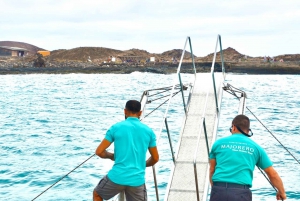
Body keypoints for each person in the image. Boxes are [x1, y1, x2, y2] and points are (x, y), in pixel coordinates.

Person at [93, 100, 159, 201]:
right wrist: (143, 164)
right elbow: (155, 158)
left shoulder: (116, 128)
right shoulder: (149, 131)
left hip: (117, 177)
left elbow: (99, 152)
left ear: (125, 111)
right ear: (140, 113)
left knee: (97, 194)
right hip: (137, 180)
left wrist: (111, 156)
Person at [209, 114, 286, 201]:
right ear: (248, 131)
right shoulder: (256, 148)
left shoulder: (218, 143)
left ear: (233, 127)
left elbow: (212, 169)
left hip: (219, 190)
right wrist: (281, 192)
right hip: (241, 193)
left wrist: (216, 189)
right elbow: (272, 174)